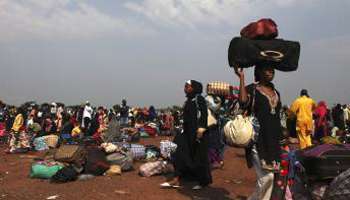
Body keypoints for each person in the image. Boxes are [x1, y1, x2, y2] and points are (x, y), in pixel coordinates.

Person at [235, 65, 283, 200]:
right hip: (257, 139)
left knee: (271, 178)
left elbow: (278, 116)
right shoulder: (253, 90)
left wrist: (283, 136)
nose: (270, 72)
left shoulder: (276, 93)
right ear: (259, 72)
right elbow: (243, 102)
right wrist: (242, 78)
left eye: (272, 70)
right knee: (266, 177)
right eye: (267, 69)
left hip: (273, 141)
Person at [161, 80, 211, 190]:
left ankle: (203, 182)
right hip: (187, 133)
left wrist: (201, 129)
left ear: (194, 88)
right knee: (177, 151)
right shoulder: (188, 101)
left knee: (199, 157)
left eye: (187, 86)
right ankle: (177, 179)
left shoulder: (199, 99)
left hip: (198, 133)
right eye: (185, 86)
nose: (185, 88)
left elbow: (204, 114)